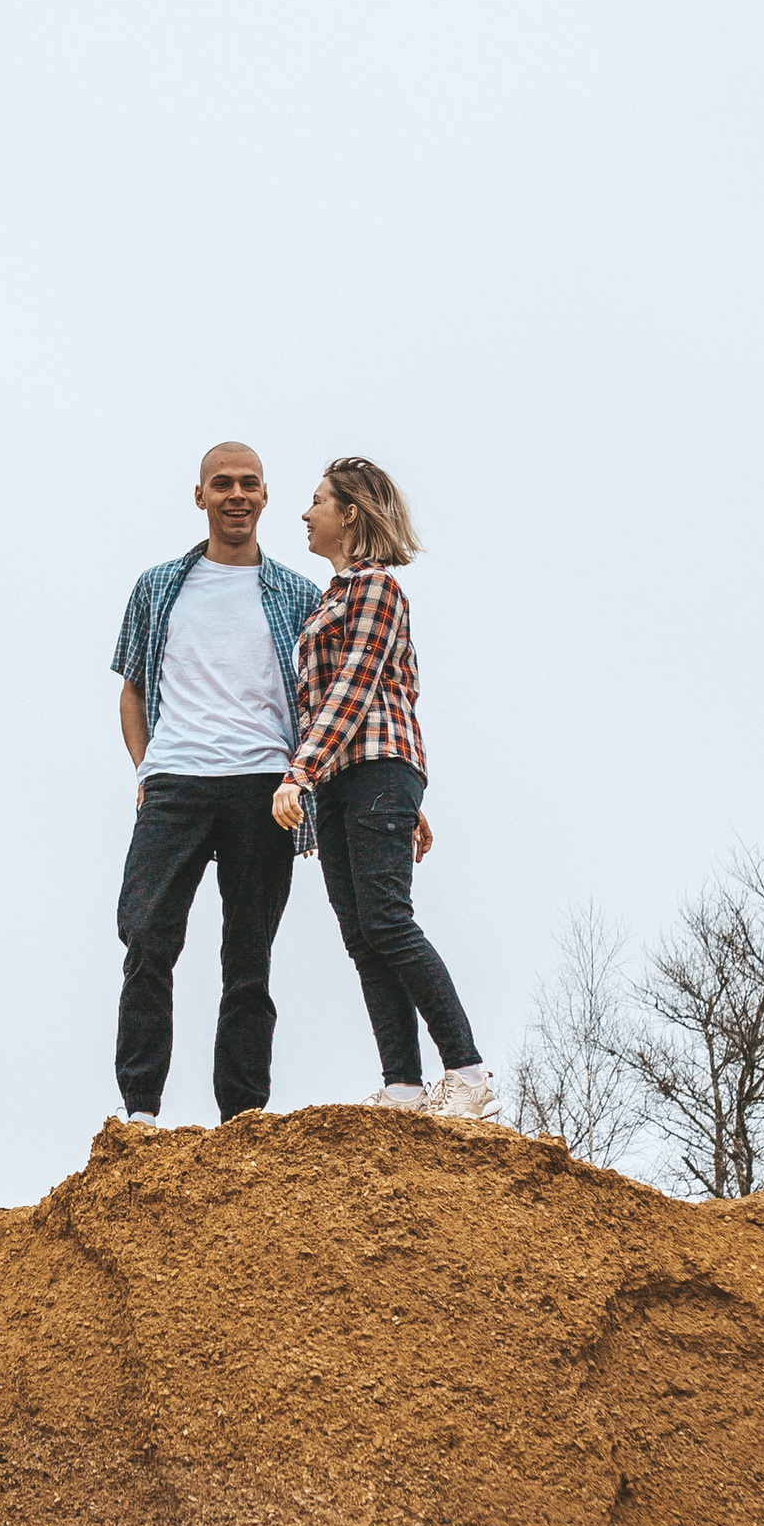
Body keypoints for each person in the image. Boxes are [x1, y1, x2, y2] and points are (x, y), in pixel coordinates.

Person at [272, 458, 496, 1117]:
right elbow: (350, 698)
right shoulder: (333, 598)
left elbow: (356, 689)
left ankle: (469, 1070)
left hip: (371, 767)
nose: (305, 513)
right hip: (354, 776)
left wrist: (299, 771)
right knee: (362, 934)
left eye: (316, 501)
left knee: (389, 921)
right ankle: (403, 1085)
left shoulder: (376, 590)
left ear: (351, 513)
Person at [108, 442, 323, 1123]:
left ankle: (243, 1118)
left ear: (265, 497)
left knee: (249, 958)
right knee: (146, 938)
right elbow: (133, 691)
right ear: (199, 496)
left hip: (263, 786)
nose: (236, 495)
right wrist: (145, 769)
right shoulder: (158, 586)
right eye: (222, 484)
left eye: (249, 484)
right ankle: (141, 1110)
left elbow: (327, 701)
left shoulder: (300, 595)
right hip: (176, 779)